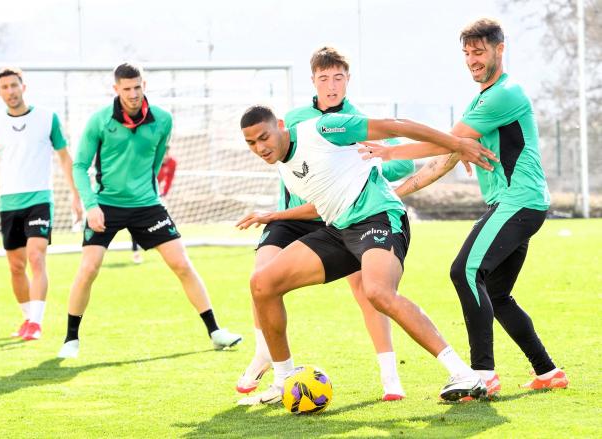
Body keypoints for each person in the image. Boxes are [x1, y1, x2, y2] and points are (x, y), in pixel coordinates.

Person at [239, 104, 498, 403]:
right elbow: (322, 204)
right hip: (339, 229)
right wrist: (275, 215)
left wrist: (456, 144)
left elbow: (395, 124)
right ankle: (284, 381)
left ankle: (464, 374)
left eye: (263, 137)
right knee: (262, 283)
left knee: (377, 292)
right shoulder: (286, 169)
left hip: (378, 216)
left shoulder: (323, 129)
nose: (260, 147)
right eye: (251, 143)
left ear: (280, 126)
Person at [375, 18, 568, 396]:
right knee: (496, 294)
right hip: (518, 203)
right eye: (466, 54)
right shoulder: (482, 100)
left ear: (500, 49)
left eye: (479, 52)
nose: (472, 61)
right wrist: (399, 191)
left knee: (464, 272)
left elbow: (443, 142)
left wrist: (391, 151)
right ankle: (548, 372)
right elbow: (449, 153)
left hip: (519, 202)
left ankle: (482, 373)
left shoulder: (504, 93)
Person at [235, 47, 414, 404]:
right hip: (291, 216)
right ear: (313, 81)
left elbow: (403, 165)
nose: (331, 86)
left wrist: (370, 159)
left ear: (348, 80)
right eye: (323, 78)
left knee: (368, 293)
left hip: (338, 217)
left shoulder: (357, 121)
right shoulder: (293, 118)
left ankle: (390, 377)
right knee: (262, 277)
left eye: (338, 78)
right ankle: (266, 356)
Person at [57, 63, 242, 358]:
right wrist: (91, 204)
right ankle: (70, 339)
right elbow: (80, 165)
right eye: (126, 88)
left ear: (144, 86)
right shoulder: (99, 121)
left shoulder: (163, 120)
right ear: (115, 89)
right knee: (89, 268)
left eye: (137, 87)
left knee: (182, 264)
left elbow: (156, 163)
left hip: (147, 206)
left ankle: (216, 331)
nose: (132, 94)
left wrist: (148, 192)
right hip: (106, 205)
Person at [0, 67, 82, 341]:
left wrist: (76, 195)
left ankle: (36, 323)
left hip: (40, 199)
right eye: (4, 87)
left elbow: (65, 158)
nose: (10, 91)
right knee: (16, 267)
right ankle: (27, 318)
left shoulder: (47, 118)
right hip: (9, 203)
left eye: (14, 85)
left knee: (36, 257)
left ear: (24, 87)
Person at [131, 155, 177, 265]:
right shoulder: (149, 159)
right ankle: (136, 252)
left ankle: (169, 251)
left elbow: (169, 179)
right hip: (139, 194)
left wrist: (164, 193)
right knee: (134, 222)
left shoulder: (172, 162)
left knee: (165, 222)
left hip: (154, 196)